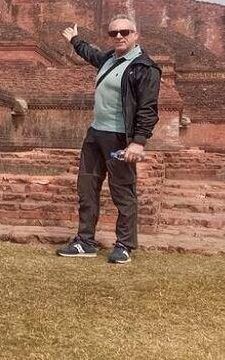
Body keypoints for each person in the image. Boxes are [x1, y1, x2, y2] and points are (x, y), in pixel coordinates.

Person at [56, 14, 161, 264]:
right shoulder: (109, 60)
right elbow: (90, 54)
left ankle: (124, 245)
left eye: (124, 32)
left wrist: (138, 142)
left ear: (135, 34)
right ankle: (85, 241)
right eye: (113, 33)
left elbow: (148, 108)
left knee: (122, 191)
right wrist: (75, 40)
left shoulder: (144, 67)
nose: (119, 37)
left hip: (119, 138)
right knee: (87, 188)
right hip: (95, 134)